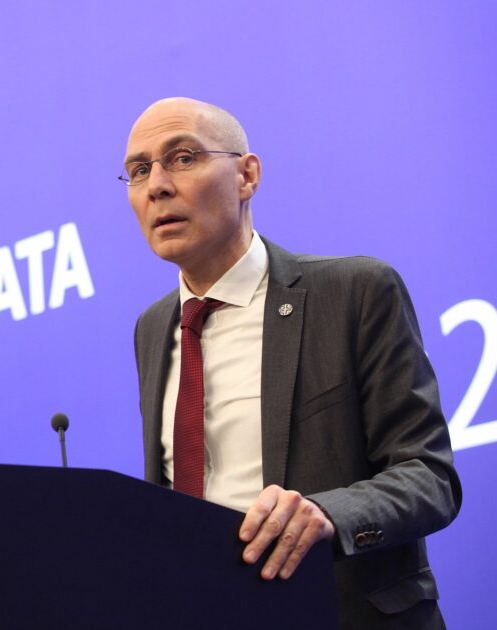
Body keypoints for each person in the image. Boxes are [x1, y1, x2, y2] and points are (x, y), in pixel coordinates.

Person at [126, 97, 462, 628]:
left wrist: (329, 513)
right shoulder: (153, 328)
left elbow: (430, 478)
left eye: (183, 158)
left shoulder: (354, 292)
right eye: (138, 171)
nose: (157, 185)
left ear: (247, 175)